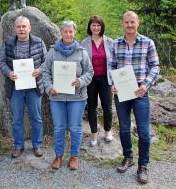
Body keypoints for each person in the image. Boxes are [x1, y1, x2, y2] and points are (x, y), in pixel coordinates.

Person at [110, 11, 160, 184]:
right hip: (122, 93)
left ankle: (143, 165)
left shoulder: (148, 42)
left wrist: (145, 85)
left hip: (140, 92)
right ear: (122, 23)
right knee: (124, 128)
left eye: (132, 22)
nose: (129, 25)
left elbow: (155, 66)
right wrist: (113, 83)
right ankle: (128, 157)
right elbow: (112, 66)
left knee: (144, 131)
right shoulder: (116, 44)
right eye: (126, 22)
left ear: (138, 23)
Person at [42, 20, 93, 170]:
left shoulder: (81, 52)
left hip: (76, 98)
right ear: (61, 33)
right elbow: (45, 71)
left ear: (75, 33)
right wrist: (49, 87)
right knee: (59, 127)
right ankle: (58, 155)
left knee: (75, 127)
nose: (68, 34)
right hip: (56, 97)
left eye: (71, 31)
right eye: (65, 31)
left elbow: (90, 72)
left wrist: (81, 80)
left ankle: (74, 156)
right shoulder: (53, 51)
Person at [0, 16, 47, 158]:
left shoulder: (39, 42)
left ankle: (37, 145)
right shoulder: (8, 43)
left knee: (36, 117)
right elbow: (1, 62)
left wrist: (39, 70)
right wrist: (9, 73)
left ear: (29, 28)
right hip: (15, 87)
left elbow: (47, 61)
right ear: (15, 29)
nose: (21, 29)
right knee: (16, 119)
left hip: (34, 87)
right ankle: (18, 146)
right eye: (18, 26)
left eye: (24, 26)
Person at [81, 15, 113, 147]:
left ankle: (108, 131)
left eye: (98, 25)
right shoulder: (84, 43)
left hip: (106, 78)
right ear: (89, 27)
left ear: (102, 27)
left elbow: (115, 61)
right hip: (90, 79)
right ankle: (94, 133)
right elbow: (81, 63)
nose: (95, 27)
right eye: (93, 25)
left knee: (107, 106)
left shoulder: (110, 42)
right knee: (92, 107)